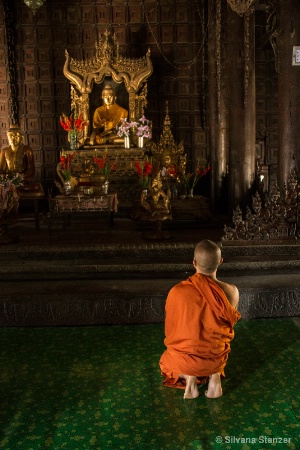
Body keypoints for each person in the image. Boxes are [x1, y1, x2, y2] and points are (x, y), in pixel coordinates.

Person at [159, 239, 240, 399]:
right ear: (220, 262)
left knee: (165, 363)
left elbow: (172, 329)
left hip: (185, 361)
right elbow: (228, 326)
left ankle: (190, 377)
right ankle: (215, 376)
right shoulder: (232, 292)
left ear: (194, 262)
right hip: (215, 360)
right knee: (215, 345)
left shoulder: (177, 291)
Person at [0, 125, 37, 191]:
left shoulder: (27, 150)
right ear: (7, 138)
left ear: (21, 138)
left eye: (16, 136)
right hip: (8, 181)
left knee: (26, 188)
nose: (13, 139)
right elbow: (1, 169)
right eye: (10, 136)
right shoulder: (4, 151)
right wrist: (4, 177)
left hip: (22, 181)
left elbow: (31, 170)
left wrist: (19, 178)